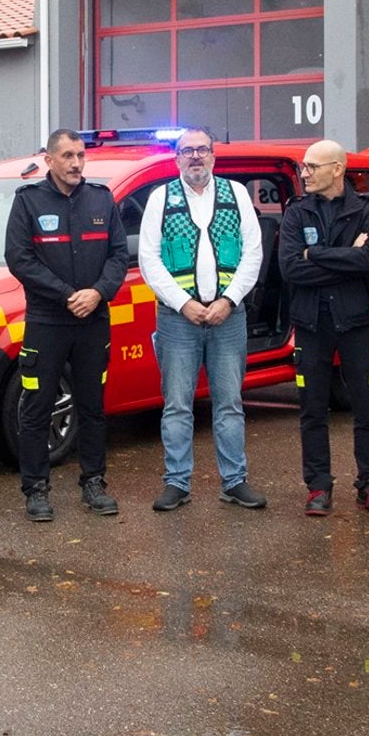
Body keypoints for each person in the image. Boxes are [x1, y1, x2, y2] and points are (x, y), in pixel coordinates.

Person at [137, 127, 267, 512]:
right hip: (179, 320)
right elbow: (149, 260)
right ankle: (177, 483)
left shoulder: (236, 194)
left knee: (229, 403)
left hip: (229, 316)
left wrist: (229, 299)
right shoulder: (160, 198)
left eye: (202, 150)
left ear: (213, 156)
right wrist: (182, 303)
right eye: (188, 151)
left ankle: (235, 481)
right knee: (177, 405)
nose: (195, 157)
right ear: (177, 158)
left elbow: (253, 253)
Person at [4, 128, 127, 521]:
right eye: (68, 156)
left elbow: (119, 255)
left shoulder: (101, 199)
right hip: (47, 321)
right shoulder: (28, 202)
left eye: (80, 155)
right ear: (50, 161)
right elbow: (19, 259)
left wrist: (97, 293)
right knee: (37, 407)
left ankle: (94, 482)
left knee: (92, 406)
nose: (76, 163)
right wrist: (65, 294)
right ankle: (36, 489)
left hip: (93, 320)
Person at [278, 139, 369, 517]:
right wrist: (342, 258)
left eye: (312, 167)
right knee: (312, 409)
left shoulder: (366, 210)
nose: (305, 173)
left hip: (356, 322)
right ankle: (317, 487)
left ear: (338, 169)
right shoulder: (297, 212)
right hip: (311, 323)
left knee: (367, 407)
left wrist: (316, 255)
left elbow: (368, 259)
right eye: (304, 167)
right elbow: (291, 268)